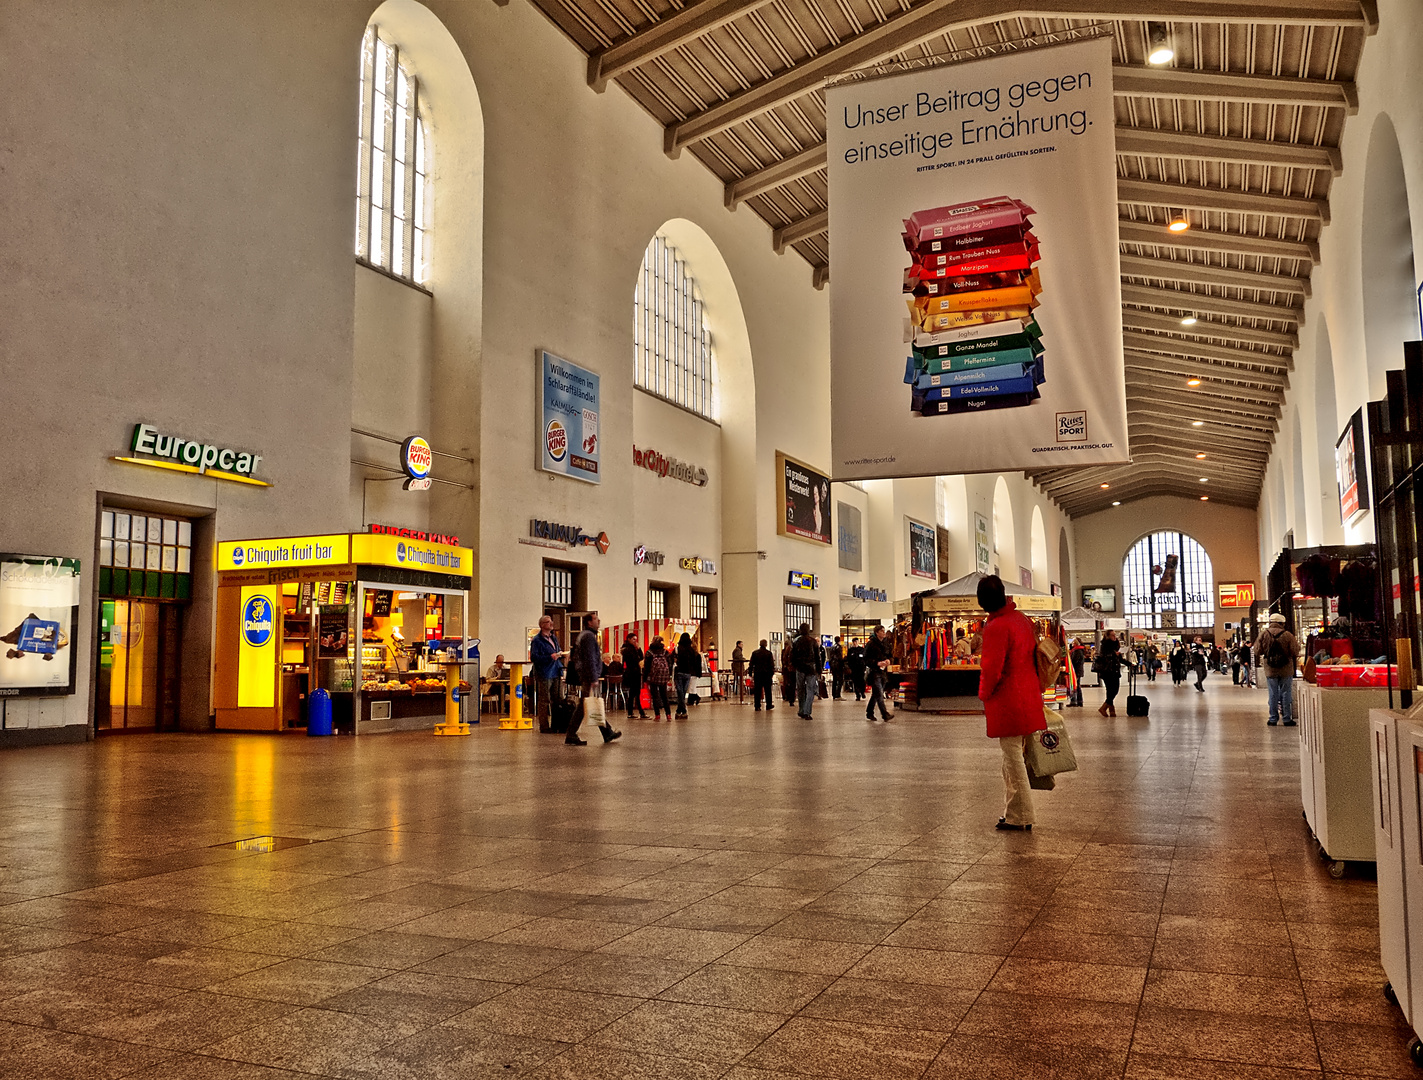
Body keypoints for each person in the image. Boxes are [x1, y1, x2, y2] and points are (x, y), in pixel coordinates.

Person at [976, 574, 1046, 832]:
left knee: (1013, 759)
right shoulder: (1021, 620)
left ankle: (1023, 815)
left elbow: (992, 668)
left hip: (1009, 699)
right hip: (1028, 695)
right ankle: (1013, 810)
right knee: (1012, 757)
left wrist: (984, 693)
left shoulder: (996, 627)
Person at [566, 613, 620, 745]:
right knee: (585, 704)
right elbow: (589, 658)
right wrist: (594, 677)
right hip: (588, 675)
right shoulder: (589, 637)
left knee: (589, 703)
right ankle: (571, 735)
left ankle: (606, 732)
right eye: (596, 619)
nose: (599, 621)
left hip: (586, 674)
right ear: (589, 622)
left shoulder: (584, 635)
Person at [1256, 613, 1300, 726]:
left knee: (1272, 693)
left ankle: (1273, 718)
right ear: (1282, 623)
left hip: (1270, 669)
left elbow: (1257, 651)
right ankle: (1286, 718)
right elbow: (1295, 651)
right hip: (1286, 668)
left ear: (1270, 622)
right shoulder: (1288, 635)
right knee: (1286, 692)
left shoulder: (1264, 634)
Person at [529, 616, 566, 729]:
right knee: (544, 699)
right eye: (547, 622)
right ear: (542, 625)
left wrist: (560, 655)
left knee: (558, 698)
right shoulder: (537, 640)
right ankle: (544, 725)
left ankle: (557, 723)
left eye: (551, 621)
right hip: (545, 672)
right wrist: (549, 657)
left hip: (555, 670)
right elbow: (534, 657)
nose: (551, 623)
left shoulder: (553, 638)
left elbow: (557, 650)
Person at [789, 623, 821, 720]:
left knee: (800, 689)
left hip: (800, 668)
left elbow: (792, 656)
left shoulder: (796, 641)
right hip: (811, 668)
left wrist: (795, 665)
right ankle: (807, 711)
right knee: (810, 690)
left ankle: (801, 710)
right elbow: (817, 657)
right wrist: (819, 669)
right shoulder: (813, 642)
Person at [864, 624, 893, 722]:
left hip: (883, 671)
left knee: (876, 693)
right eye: (882, 631)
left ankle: (869, 712)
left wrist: (889, 660)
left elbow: (890, 655)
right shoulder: (871, 644)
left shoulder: (886, 643)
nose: (884, 633)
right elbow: (865, 659)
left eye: (884, 631)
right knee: (879, 693)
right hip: (874, 672)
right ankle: (885, 714)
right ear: (877, 633)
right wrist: (876, 663)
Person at [1095, 630, 1124, 716]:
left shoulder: (1116, 646)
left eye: (1115, 635)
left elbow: (1120, 659)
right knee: (1111, 690)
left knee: (1115, 690)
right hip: (1107, 671)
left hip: (1115, 670)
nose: (1114, 637)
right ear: (1108, 636)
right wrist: (1114, 654)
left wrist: (1129, 664)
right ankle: (1109, 709)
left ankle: (1106, 708)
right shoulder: (1104, 645)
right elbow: (1103, 657)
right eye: (1112, 635)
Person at [673, 633, 702, 719]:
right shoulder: (692, 651)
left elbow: (672, 659)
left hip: (679, 672)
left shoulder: (678, 649)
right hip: (688, 674)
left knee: (680, 693)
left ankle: (681, 711)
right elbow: (694, 662)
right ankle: (681, 711)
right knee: (683, 692)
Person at [620, 634, 648, 720]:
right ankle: (640, 712)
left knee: (633, 693)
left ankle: (632, 712)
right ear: (628, 639)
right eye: (633, 639)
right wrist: (638, 650)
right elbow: (637, 659)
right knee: (635, 692)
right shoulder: (629, 650)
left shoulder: (628, 649)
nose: (635, 641)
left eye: (636, 639)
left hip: (633, 672)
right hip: (633, 673)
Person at [645, 637, 673, 720]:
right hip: (663, 676)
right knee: (664, 696)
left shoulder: (649, 652)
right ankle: (668, 714)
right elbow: (670, 664)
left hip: (653, 676)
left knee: (655, 696)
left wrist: (645, 678)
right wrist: (669, 674)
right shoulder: (665, 652)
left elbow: (647, 666)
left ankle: (657, 715)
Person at [749, 639, 776, 711]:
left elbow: (751, 664)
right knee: (768, 690)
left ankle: (757, 705)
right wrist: (772, 673)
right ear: (766, 645)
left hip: (758, 674)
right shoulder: (769, 653)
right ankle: (769, 704)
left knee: (757, 690)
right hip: (767, 674)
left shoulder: (755, 653)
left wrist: (750, 673)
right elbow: (771, 665)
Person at [1069, 638, 1086, 708]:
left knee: (1076, 686)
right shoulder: (1080, 650)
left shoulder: (1077, 651)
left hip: (1076, 671)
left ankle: (1076, 701)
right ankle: (1079, 701)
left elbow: (1074, 661)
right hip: (1078, 671)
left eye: (1073, 643)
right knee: (1077, 685)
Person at [781, 637, 796, 704]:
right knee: (792, 684)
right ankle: (791, 697)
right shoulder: (792, 650)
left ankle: (788, 697)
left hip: (787, 669)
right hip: (792, 669)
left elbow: (783, 660)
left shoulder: (785, 651)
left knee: (788, 684)